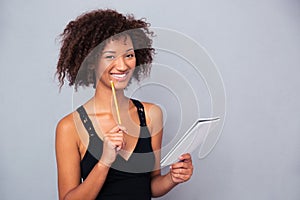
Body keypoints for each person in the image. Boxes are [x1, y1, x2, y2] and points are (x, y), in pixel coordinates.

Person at [55, 9, 193, 200]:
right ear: (91, 62)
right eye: (110, 56)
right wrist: (105, 161)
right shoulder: (69, 127)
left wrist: (173, 177)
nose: (122, 66)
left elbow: (150, 187)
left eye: (128, 55)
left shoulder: (151, 114)